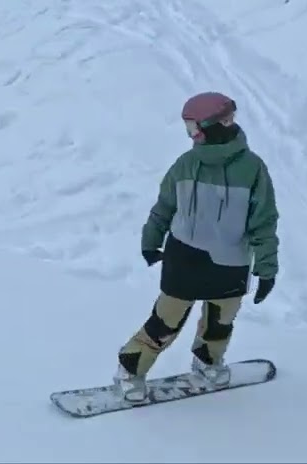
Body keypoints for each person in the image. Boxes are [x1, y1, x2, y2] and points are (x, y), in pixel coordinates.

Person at [114, 92, 279, 402]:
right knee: (165, 322)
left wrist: (267, 268)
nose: (192, 136)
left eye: (194, 128)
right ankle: (129, 369)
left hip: (231, 261)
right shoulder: (187, 164)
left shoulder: (253, 169)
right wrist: (151, 241)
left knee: (220, 322)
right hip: (184, 258)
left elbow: (264, 221)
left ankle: (207, 363)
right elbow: (164, 206)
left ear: (215, 125)